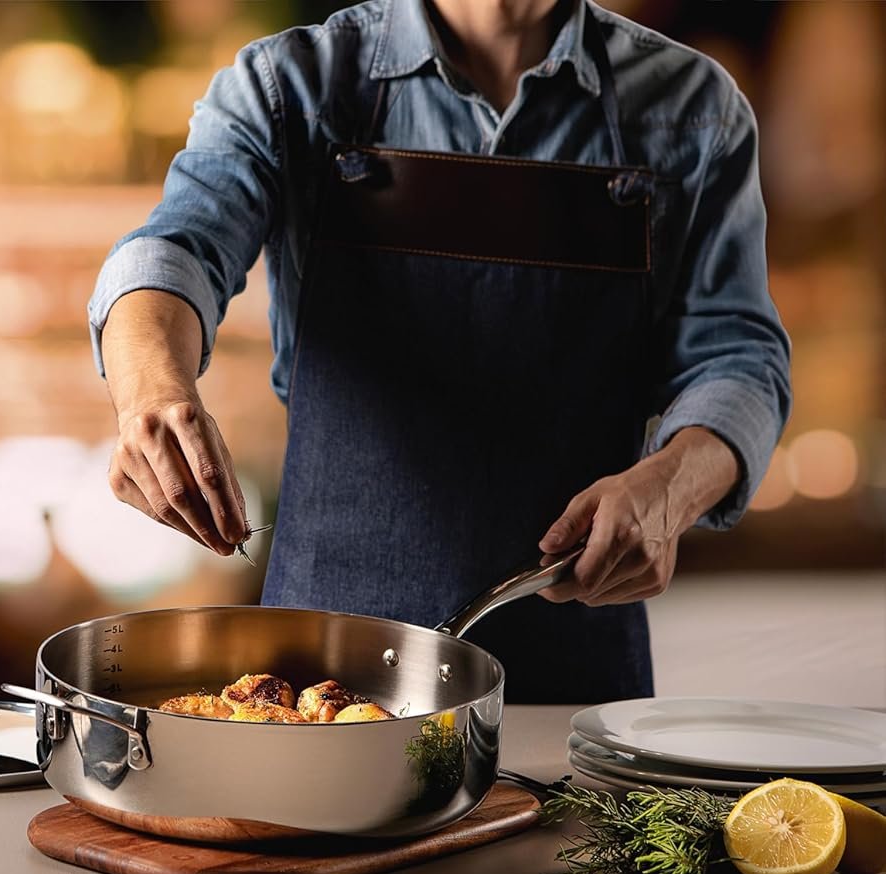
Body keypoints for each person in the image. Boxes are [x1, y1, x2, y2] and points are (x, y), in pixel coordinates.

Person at [88, 0, 791, 702]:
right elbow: (176, 249)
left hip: (572, 690)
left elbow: (740, 361)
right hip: (323, 689)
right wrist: (151, 389)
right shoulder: (290, 86)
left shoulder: (694, 109)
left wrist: (668, 489)